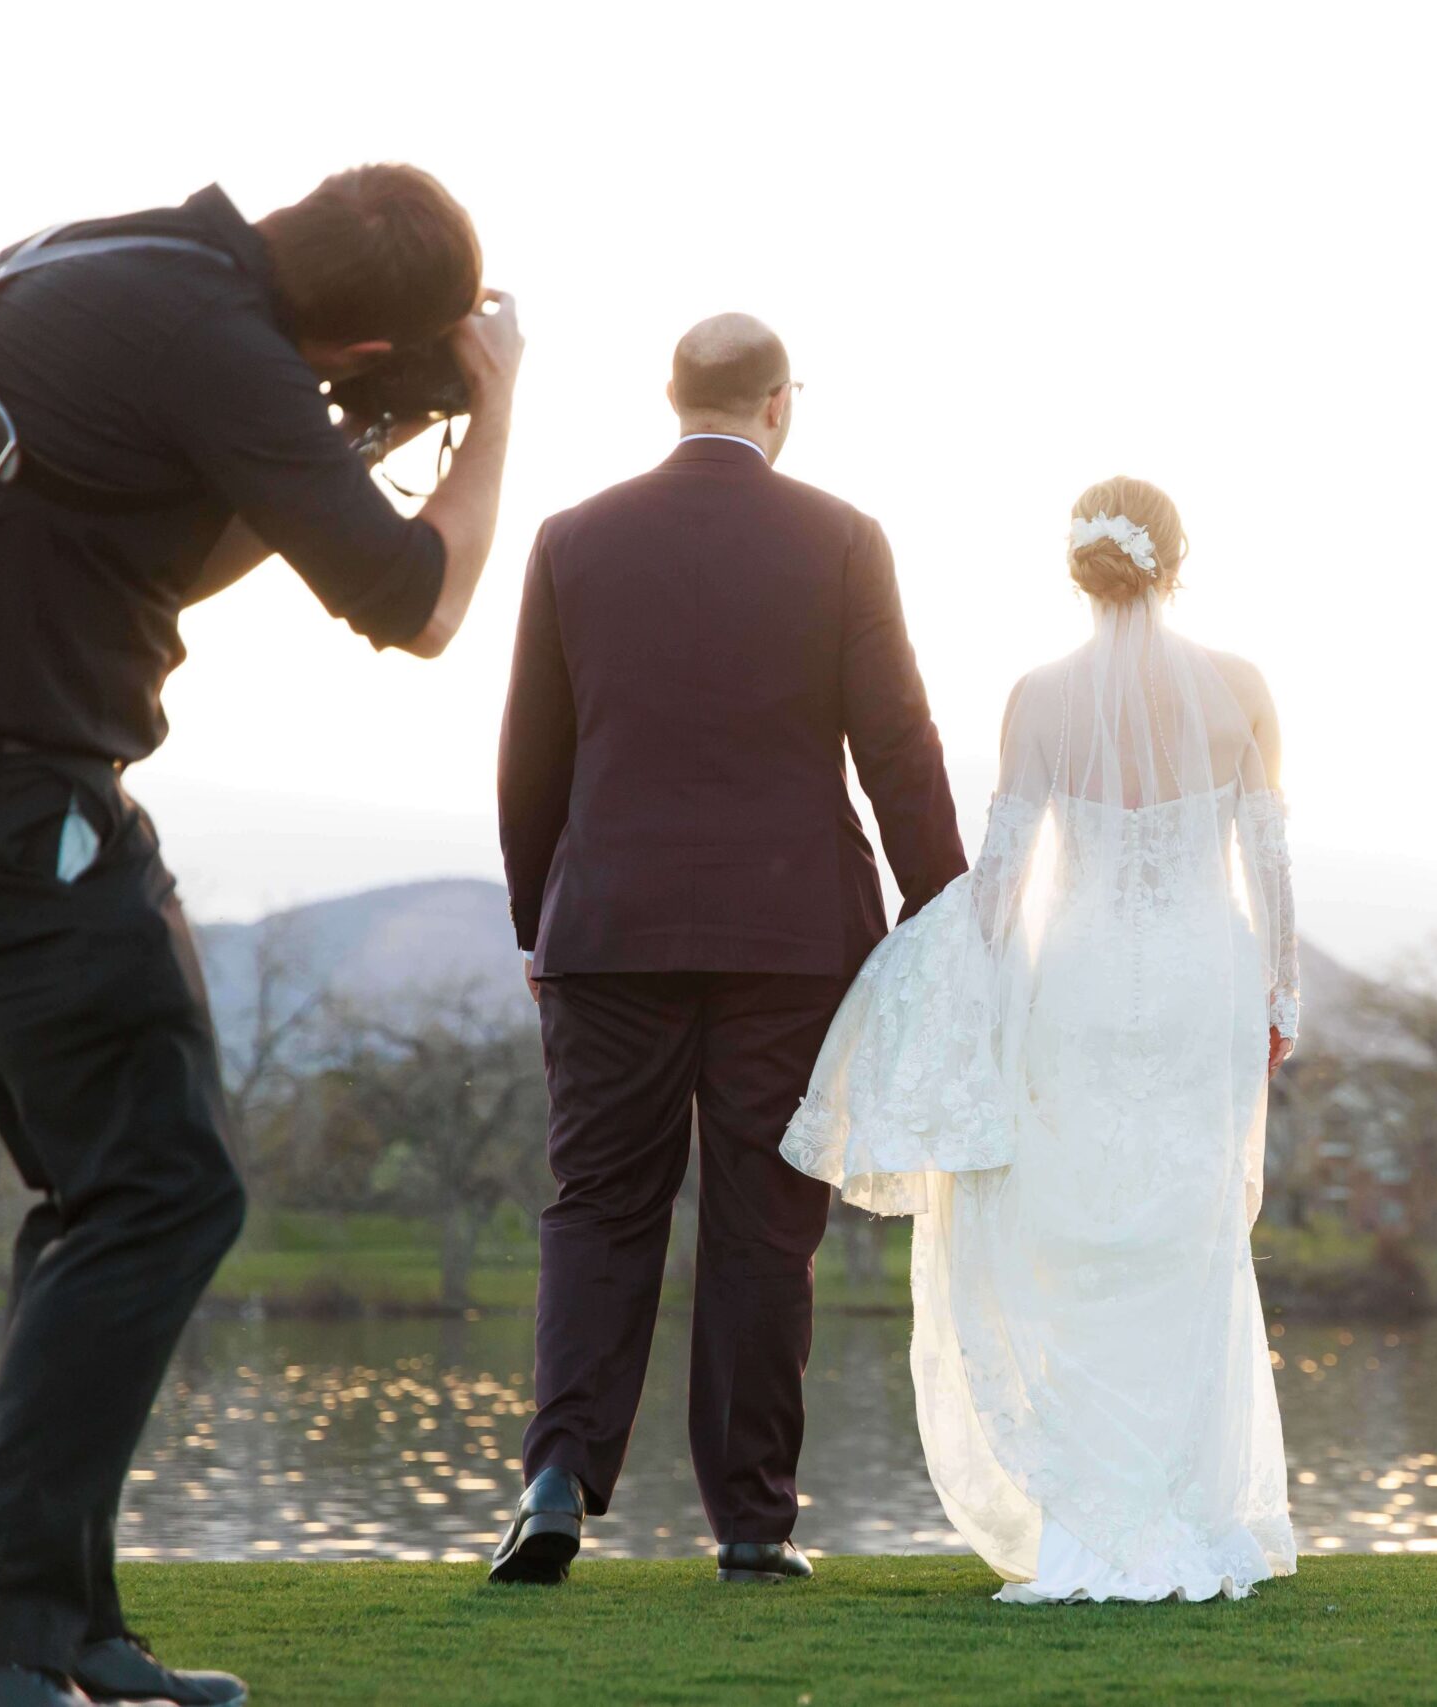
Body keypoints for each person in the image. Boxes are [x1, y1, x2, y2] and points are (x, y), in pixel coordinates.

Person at [0, 166, 524, 1707]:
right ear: (372, 348)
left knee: (107, 1192)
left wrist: (342, 442)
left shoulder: (102, 262)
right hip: (15, 792)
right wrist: (495, 408)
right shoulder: (216, 341)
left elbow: (158, 539)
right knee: (164, 1190)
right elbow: (418, 602)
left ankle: (59, 1618)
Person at [489, 313, 967, 1587]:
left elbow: (531, 757)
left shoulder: (571, 538)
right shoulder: (843, 538)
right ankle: (752, 1521)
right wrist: (943, 910)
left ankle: (555, 1479)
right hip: (791, 939)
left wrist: (540, 921)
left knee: (600, 1204)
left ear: (671, 394)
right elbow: (897, 740)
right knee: (763, 1225)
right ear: (778, 403)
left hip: (609, 932)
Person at [784, 476, 1301, 1603]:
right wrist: (1279, 995)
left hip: (1075, 983)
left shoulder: (1036, 699)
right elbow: (1268, 857)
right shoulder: (1242, 689)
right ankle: (1190, 1508)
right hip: (1202, 983)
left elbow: (1002, 879)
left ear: (1080, 568)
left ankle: (1090, 1517)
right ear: (1177, 560)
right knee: (1188, 1231)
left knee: (1077, 1233)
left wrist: (957, 994)